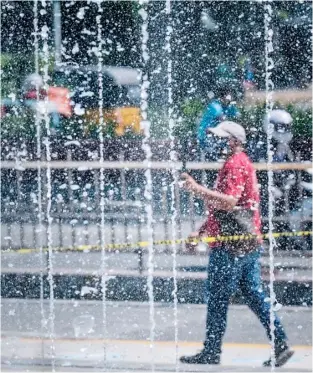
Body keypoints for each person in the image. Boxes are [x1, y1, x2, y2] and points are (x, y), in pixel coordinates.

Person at [179, 121, 294, 367]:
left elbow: (229, 202)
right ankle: (280, 342)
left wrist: (196, 188)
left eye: (221, 138)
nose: (215, 142)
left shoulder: (234, 164)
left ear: (234, 141)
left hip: (230, 246)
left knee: (218, 297)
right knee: (253, 294)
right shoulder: (242, 162)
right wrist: (200, 232)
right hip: (246, 240)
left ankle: (211, 350)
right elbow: (227, 208)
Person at [197, 86, 240, 160]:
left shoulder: (229, 106)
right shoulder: (215, 106)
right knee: (213, 158)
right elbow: (224, 119)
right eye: (229, 96)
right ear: (222, 97)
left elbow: (238, 118)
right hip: (206, 136)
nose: (231, 98)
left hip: (218, 136)